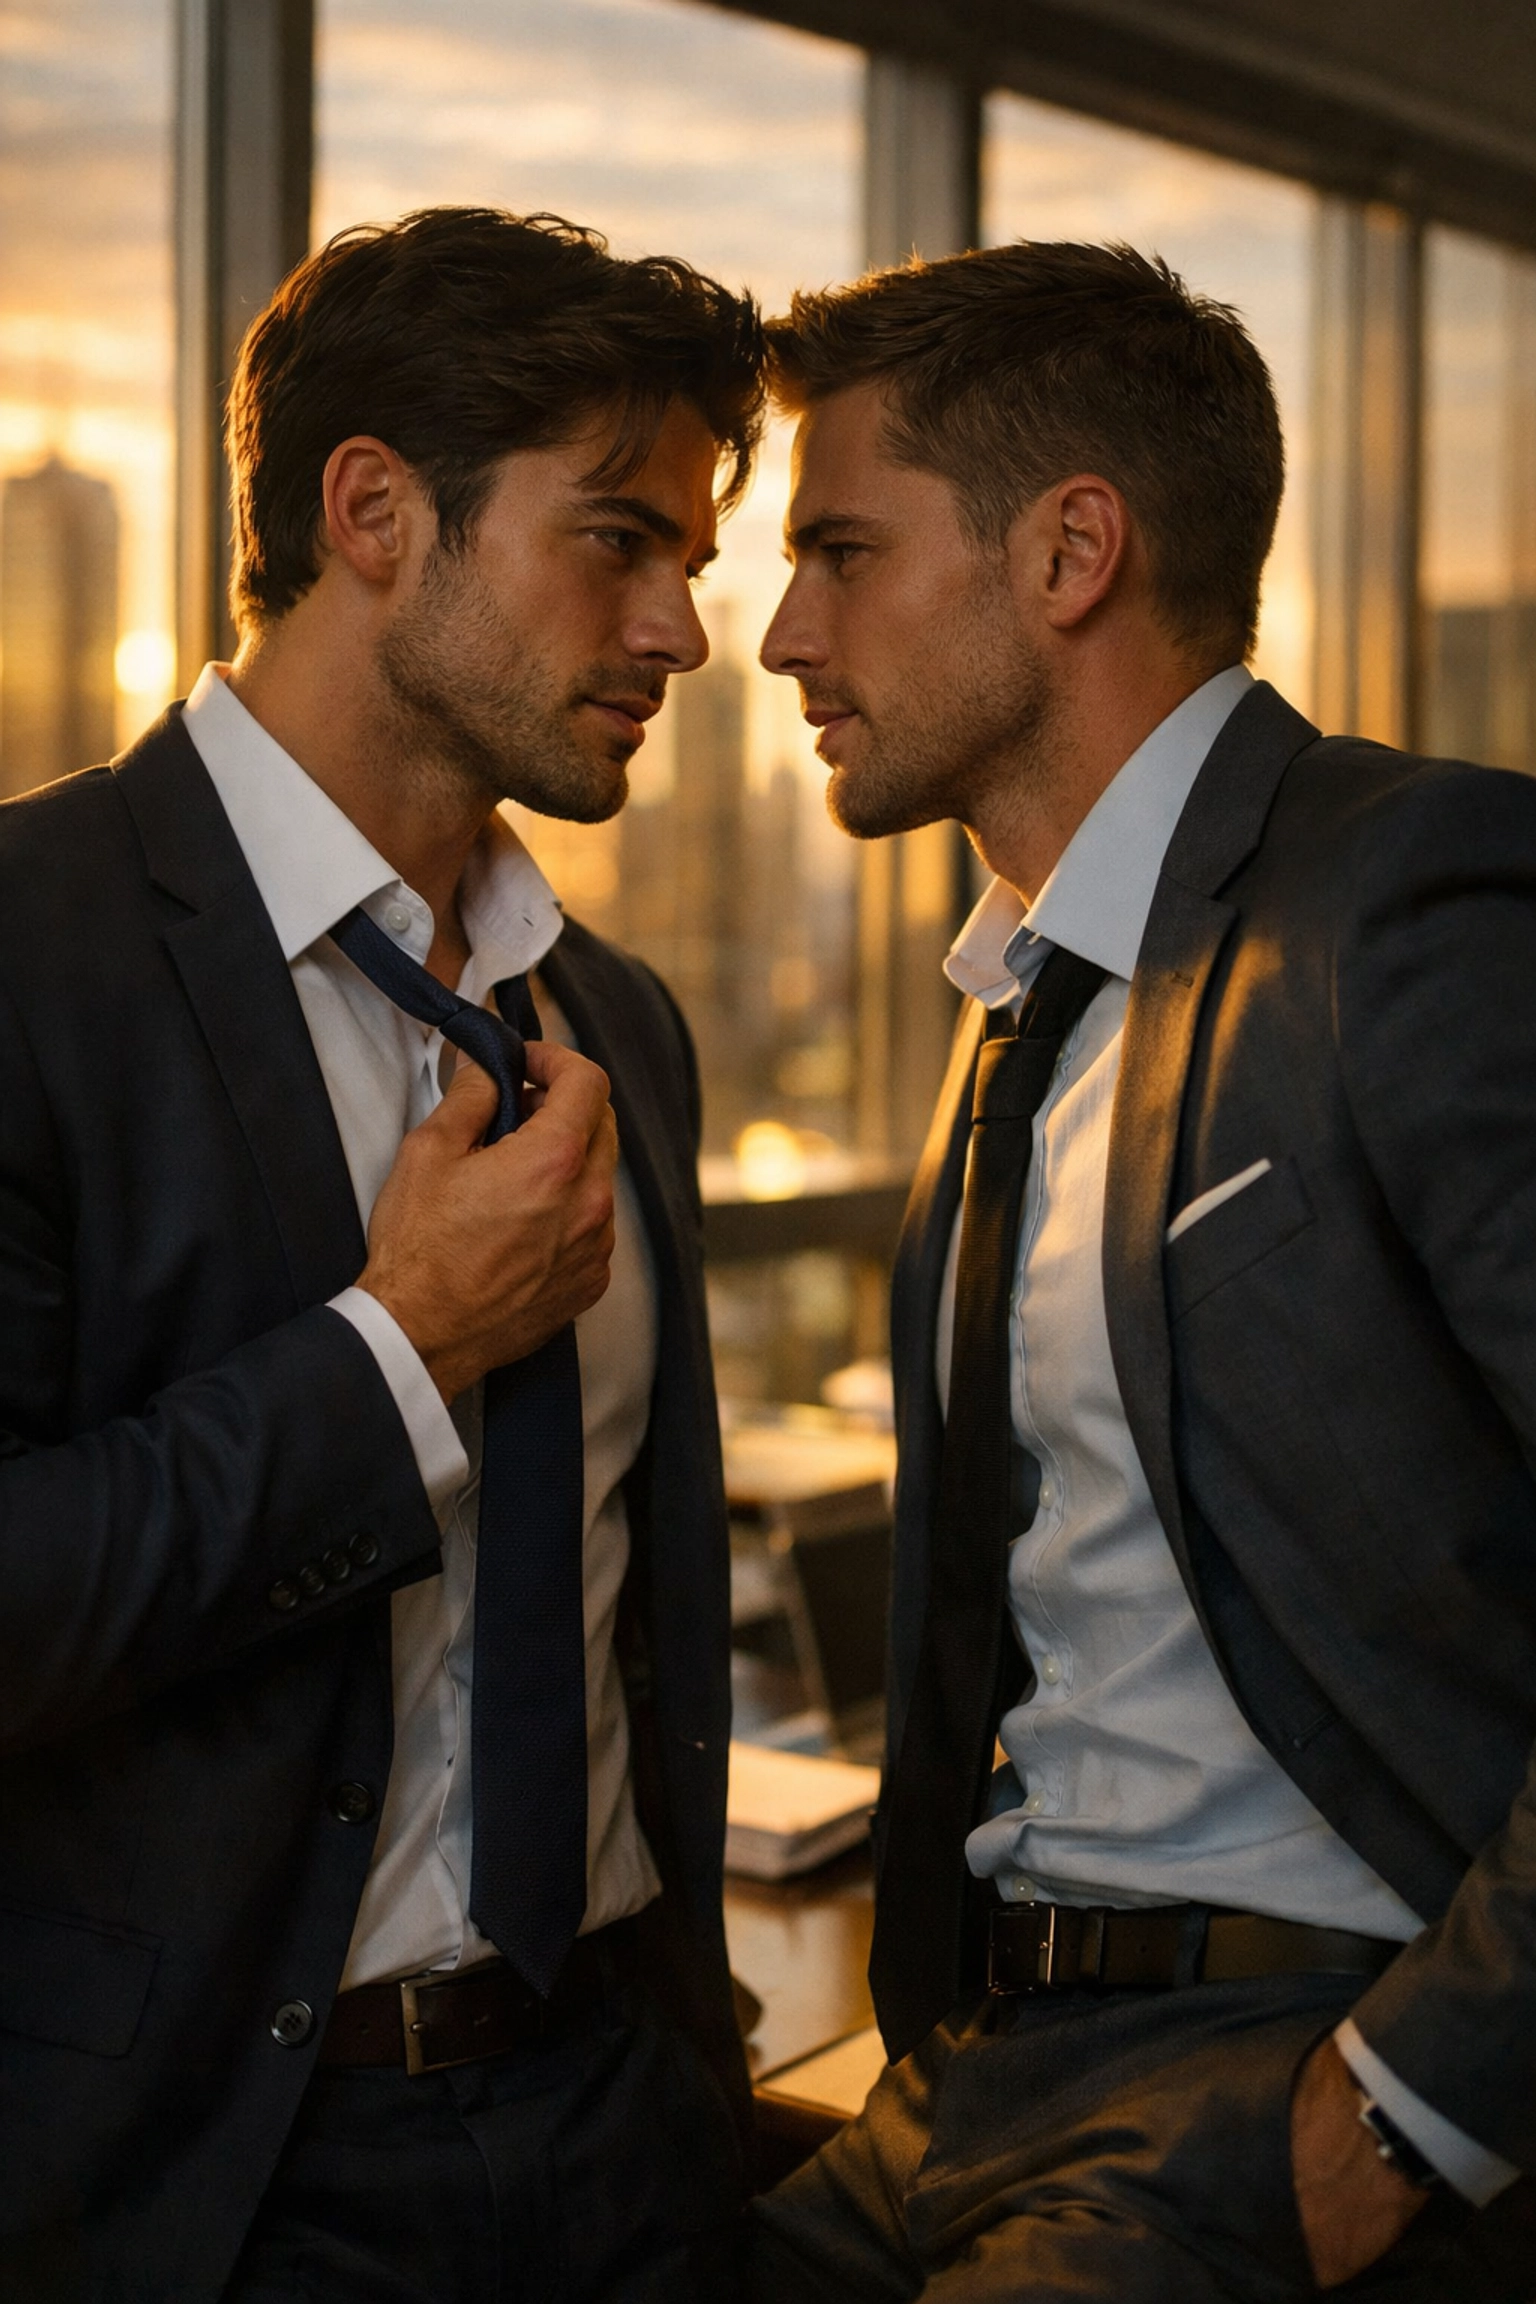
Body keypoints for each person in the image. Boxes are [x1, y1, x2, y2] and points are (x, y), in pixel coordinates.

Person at [748, 240, 1536, 2301]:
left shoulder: (1408, 903)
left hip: (1276, 2079)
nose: (778, 633)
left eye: (839, 549)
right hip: (977, 2067)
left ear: (1071, 550)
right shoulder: (1025, 1001)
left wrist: (1410, 2111)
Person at [0, 207, 763, 2303]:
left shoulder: (622, 1027)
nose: (683, 629)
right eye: (620, 538)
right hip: (212, 2191)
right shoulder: (28, 956)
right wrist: (398, 1351)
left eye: (692, 560)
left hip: (636, 2131)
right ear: (371, 514)